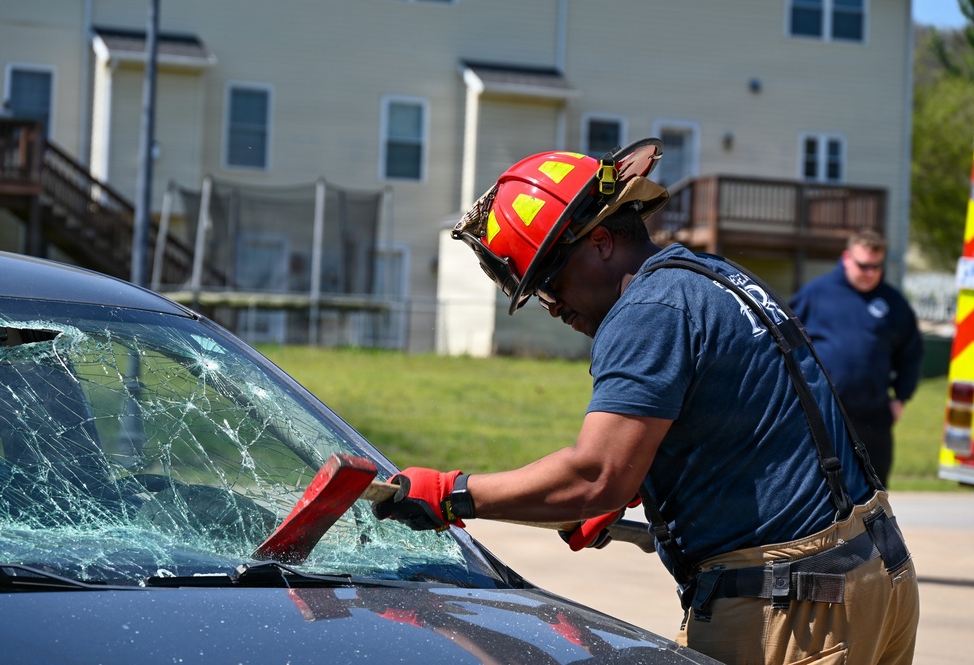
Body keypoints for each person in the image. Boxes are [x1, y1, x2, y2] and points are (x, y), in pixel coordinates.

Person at [372, 140, 919, 664]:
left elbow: (594, 475)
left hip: (794, 612)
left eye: (550, 279)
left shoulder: (648, 309)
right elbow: (746, 420)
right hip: (873, 577)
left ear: (600, 241)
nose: (551, 305)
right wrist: (636, 481)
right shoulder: (709, 278)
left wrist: (452, 494)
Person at [789, 230, 924, 488]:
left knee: (872, 490)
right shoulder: (816, 294)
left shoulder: (893, 302)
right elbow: (784, 343)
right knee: (819, 489)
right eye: (864, 266)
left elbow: (911, 354)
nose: (870, 273)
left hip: (873, 416)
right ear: (847, 258)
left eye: (876, 266)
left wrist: (901, 398)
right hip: (822, 412)